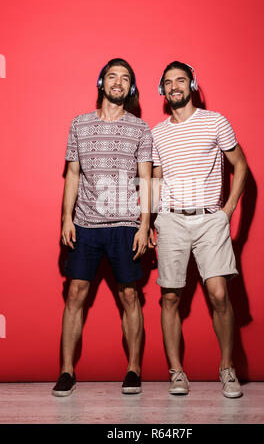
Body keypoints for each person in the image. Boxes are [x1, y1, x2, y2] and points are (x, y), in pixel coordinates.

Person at [52, 58, 152, 397]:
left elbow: (146, 179)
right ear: (102, 83)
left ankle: (134, 370)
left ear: (131, 88)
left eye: (125, 78)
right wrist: (66, 218)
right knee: (75, 294)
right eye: (112, 76)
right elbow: (73, 175)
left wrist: (144, 225)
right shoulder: (79, 124)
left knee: (129, 296)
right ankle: (66, 371)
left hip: (125, 223)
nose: (118, 83)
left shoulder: (140, 128)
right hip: (86, 223)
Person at [149, 61, 248, 398]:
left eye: (181, 80)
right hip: (171, 219)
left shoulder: (215, 121)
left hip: (209, 219)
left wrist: (228, 210)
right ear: (162, 90)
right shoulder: (156, 133)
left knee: (219, 293)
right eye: (168, 82)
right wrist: (149, 220)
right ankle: (176, 372)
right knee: (170, 296)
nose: (175, 86)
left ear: (192, 84)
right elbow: (155, 179)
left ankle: (227, 368)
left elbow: (241, 166)